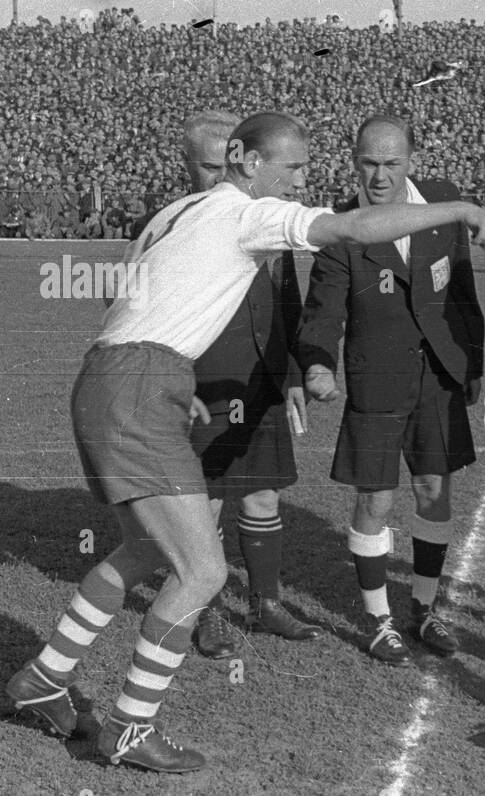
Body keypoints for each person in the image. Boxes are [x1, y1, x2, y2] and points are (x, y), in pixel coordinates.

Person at [5, 112, 485, 773]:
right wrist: (467, 208)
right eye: (294, 168)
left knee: (147, 547)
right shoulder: (247, 212)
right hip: (135, 386)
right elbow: (353, 226)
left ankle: (44, 678)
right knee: (205, 569)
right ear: (245, 160)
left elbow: (138, 289)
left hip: (123, 377)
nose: (303, 180)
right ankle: (130, 726)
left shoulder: (182, 210)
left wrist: (163, 364)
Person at [299, 114, 484, 664]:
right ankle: (380, 619)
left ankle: (425, 609)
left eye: (392, 163)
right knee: (376, 497)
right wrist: (317, 364)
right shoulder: (340, 228)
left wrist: (472, 360)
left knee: (434, 488)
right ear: (354, 161)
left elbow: (464, 290)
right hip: (377, 375)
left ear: (413, 160)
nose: (380, 175)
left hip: (439, 373)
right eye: (369, 163)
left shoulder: (443, 203)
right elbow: (323, 308)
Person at [174, 110, 325, 659]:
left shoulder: (267, 220)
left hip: (260, 378)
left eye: (229, 165)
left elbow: (285, 302)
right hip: (203, 382)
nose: (222, 177)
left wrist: (289, 376)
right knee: (208, 500)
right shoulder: (175, 223)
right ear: (187, 165)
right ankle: (209, 611)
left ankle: (266, 603)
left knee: (262, 494)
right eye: (211, 167)